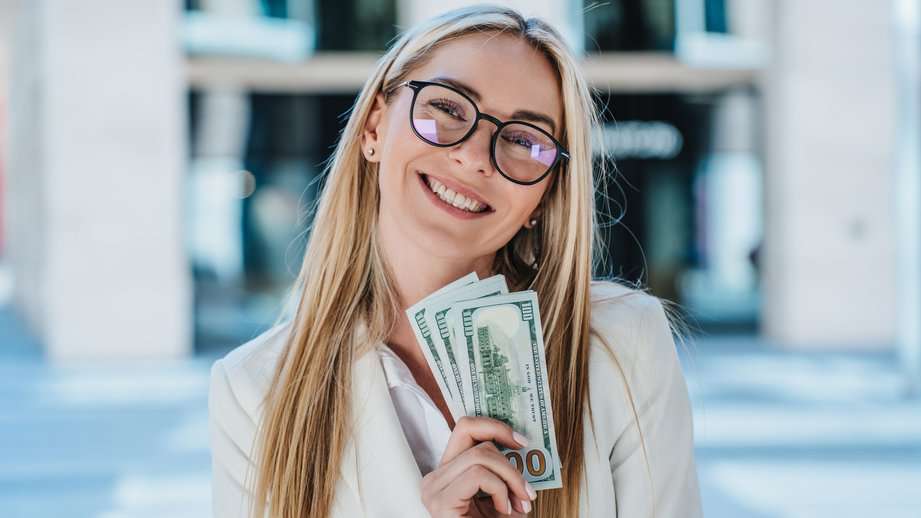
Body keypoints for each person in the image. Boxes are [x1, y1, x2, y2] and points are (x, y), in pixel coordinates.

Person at [208, 5, 702, 517]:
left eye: (523, 140)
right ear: (374, 126)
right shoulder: (255, 391)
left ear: (546, 194)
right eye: (447, 109)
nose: (475, 157)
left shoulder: (624, 345)